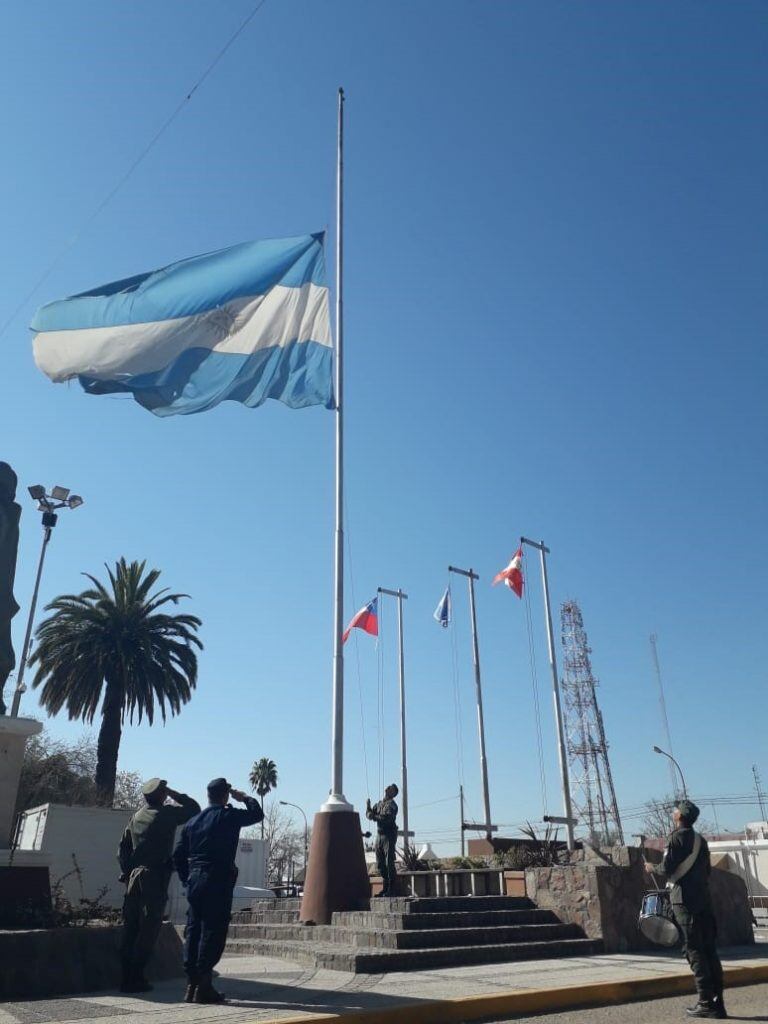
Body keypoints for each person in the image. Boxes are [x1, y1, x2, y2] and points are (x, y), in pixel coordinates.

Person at [173, 778, 263, 1004]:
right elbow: (256, 814)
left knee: (193, 931)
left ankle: (192, 984)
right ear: (225, 795)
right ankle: (204, 985)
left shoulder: (193, 822)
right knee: (213, 931)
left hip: (195, 879)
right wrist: (244, 798)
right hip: (217, 879)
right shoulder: (227, 815)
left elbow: (178, 855)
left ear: (208, 795)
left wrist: (187, 879)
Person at [117, 778, 200, 993]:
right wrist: (174, 793)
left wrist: (127, 872)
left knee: (131, 928)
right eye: (164, 792)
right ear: (162, 795)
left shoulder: (135, 817)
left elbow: (122, 849)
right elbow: (194, 809)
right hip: (154, 877)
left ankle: (126, 976)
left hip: (133, 878)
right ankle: (136, 977)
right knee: (149, 928)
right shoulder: (167, 814)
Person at [648, 799, 725, 1020]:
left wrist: (651, 867)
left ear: (680, 816)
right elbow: (707, 872)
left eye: (675, 810)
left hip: (684, 902)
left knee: (694, 950)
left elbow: (666, 868)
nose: (672, 812)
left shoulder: (676, 838)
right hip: (703, 901)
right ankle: (718, 1002)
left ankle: (705, 1002)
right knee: (710, 950)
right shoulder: (701, 841)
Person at [366, 783, 399, 897]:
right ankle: (385, 887)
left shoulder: (392, 805)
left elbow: (387, 819)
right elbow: (369, 814)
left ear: (393, 793)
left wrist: (373, 816)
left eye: (391, 788)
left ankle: (392, 888)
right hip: (379, 836)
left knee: (389, 862)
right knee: (380, 863)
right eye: (388, 787)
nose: (387, 788)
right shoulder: (379, 804)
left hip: (389, 835)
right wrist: (368, 809)